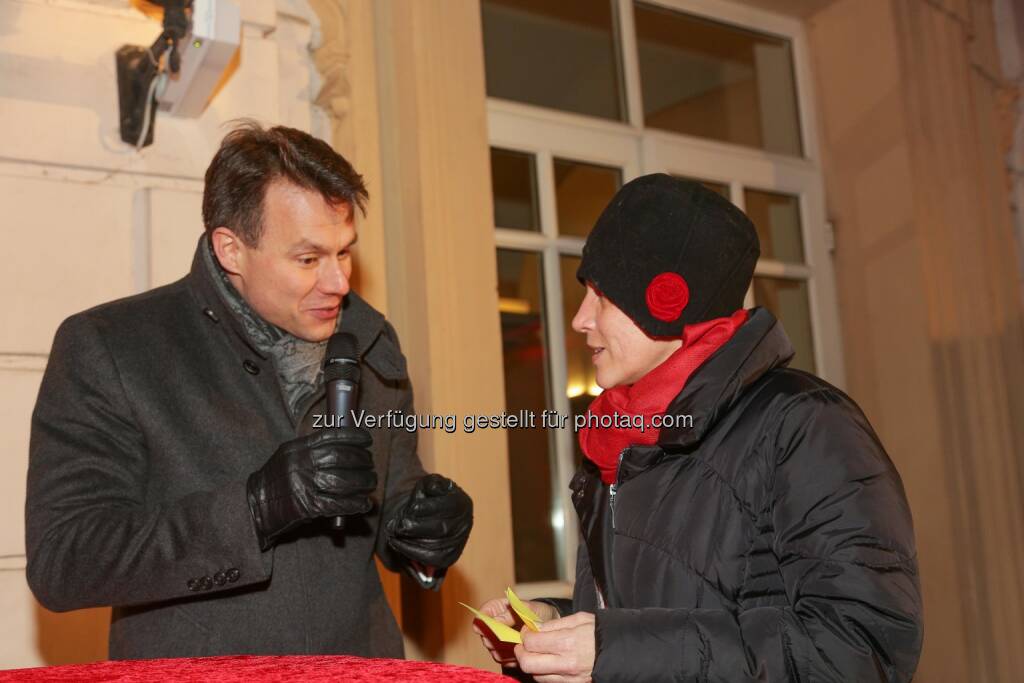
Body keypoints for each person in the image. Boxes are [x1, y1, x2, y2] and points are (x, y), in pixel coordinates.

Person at [26, 123, 473, 659]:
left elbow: (390, 493)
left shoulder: (371, 338)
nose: (339, 282)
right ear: (231, 250)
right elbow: (65, 561)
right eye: (308, 259)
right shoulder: (113, 346)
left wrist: (417, 530)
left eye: (344, 252)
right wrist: (257, 508)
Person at [475, 174, 922, 682]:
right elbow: (659, 611)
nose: (580, 319)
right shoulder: (621, 436)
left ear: (666, 302)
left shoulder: (805, 422)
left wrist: (614, 649)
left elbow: (860, 651)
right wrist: (557, 626)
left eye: (603, 295)